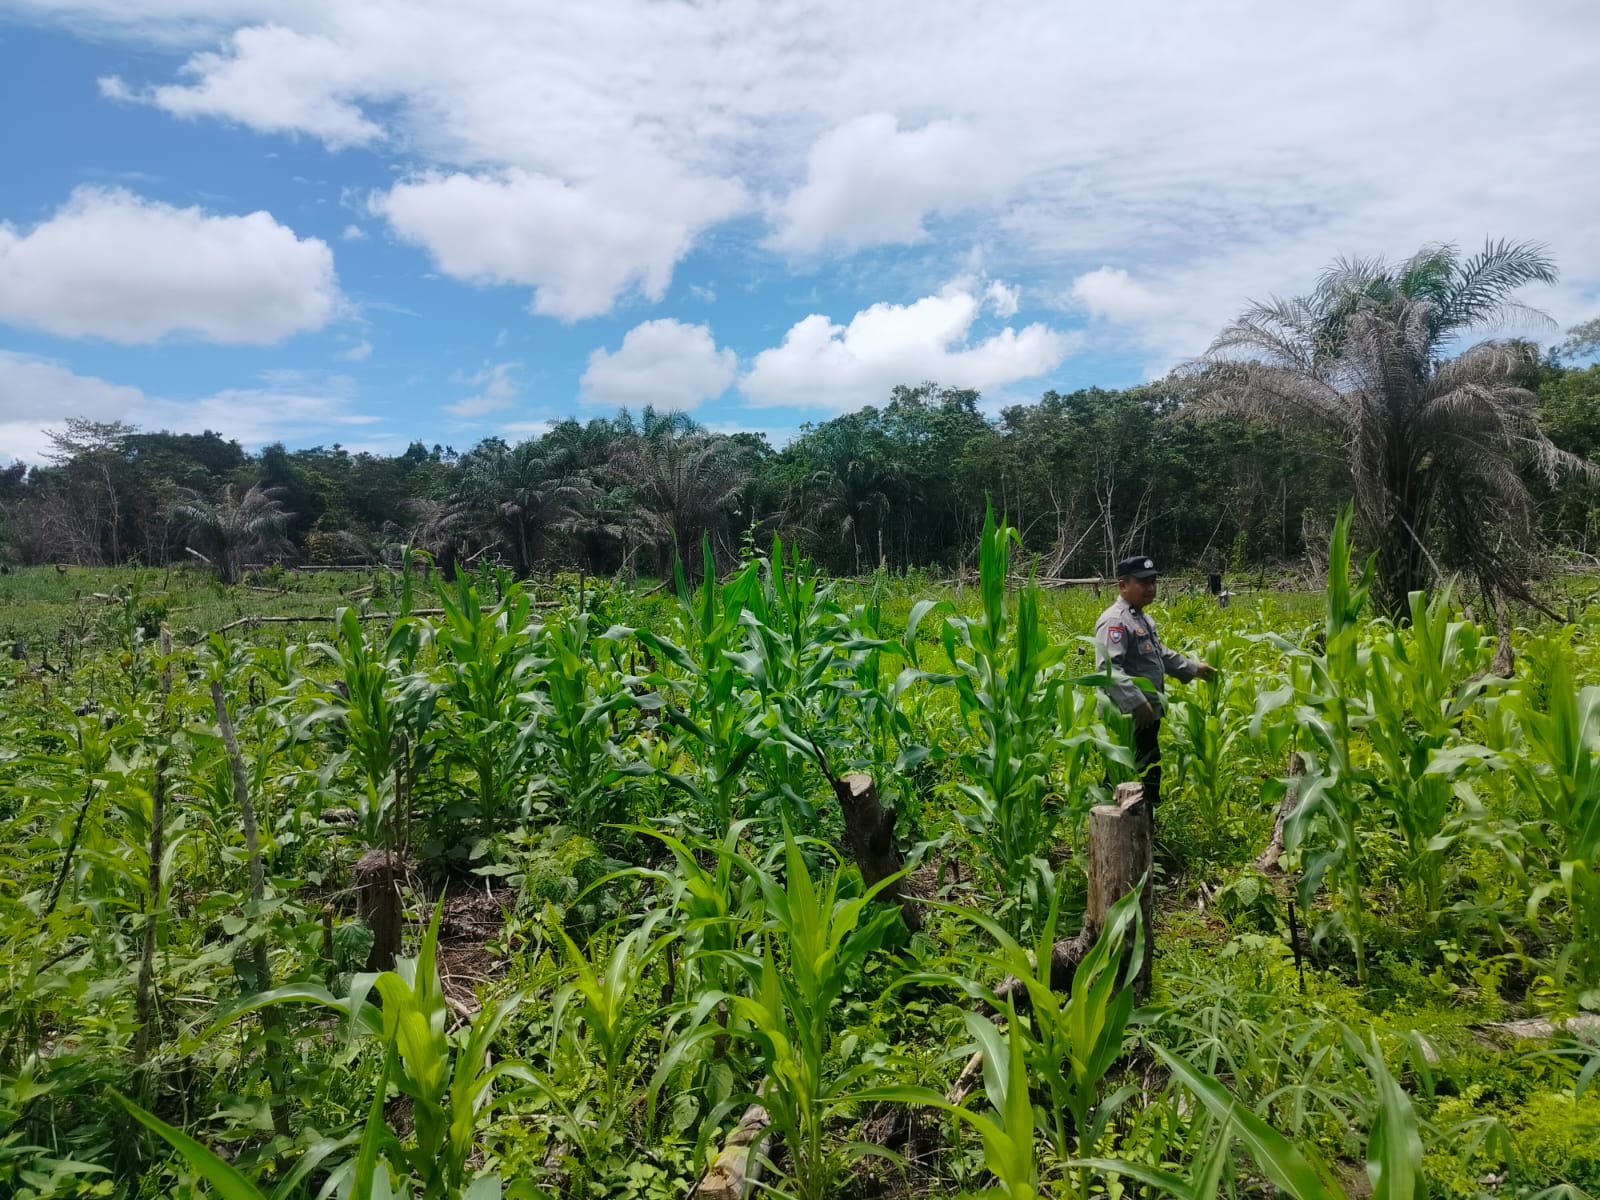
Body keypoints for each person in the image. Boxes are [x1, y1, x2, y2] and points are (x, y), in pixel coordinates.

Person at [1094, 555, 1217, 811]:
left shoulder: (1141, 618)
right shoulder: (1116, 621)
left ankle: (1145, 822)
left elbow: (1160, 654)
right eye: (1143, 582)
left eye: (1153, 581)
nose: (1150, 587)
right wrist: (1137, 703)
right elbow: (1108, 669)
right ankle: (1120, 825)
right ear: (1123, 585)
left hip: (1146, 713)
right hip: (1126, 717)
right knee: (1125, 770)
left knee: (1148, 766)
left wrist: (1194, 669)